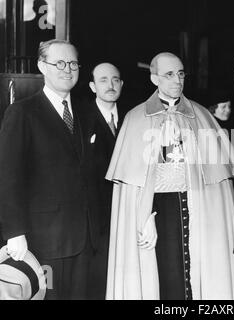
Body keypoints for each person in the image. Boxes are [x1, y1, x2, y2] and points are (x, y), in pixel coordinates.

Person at [105, 52, 234, 300]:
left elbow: (220, 184)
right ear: (154, 78)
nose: (177, 80)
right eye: (169, 74)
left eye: (180, 74)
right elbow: (133, 187)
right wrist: (143, 217)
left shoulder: (201, 116)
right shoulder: (136, 118)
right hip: (159, 213)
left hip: (196, 211)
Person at [0, 39, 99, 300]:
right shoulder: (22, 112)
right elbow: (8, 177)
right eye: (60, 63)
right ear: (42, 66)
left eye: (74, 63)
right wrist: (14, 233)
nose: (68, 69)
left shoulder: (87, 112)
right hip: (43, 240)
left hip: (84, 239)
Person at [80, 62, 128, 299]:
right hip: (95, 224)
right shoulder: (80, 119)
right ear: (91, 86)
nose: (110, 85)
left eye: (115, 80)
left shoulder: (133, 118)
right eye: (103, 80)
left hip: (127, 217)